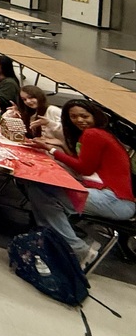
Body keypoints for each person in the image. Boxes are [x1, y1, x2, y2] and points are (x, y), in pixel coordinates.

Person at [28, 100, 136, 268]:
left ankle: (76, 248)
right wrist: (61, 145)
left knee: (40, 189)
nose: (79, 120)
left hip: (115, 200)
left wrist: (51, 150)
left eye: (84, 116)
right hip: (110, 199)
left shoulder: (93, 134)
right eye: (73, 117)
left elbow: (84, 169)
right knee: (40, 192)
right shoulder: (98, 134)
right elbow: (85, 165)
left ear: (95, 116)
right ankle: (64, 243)